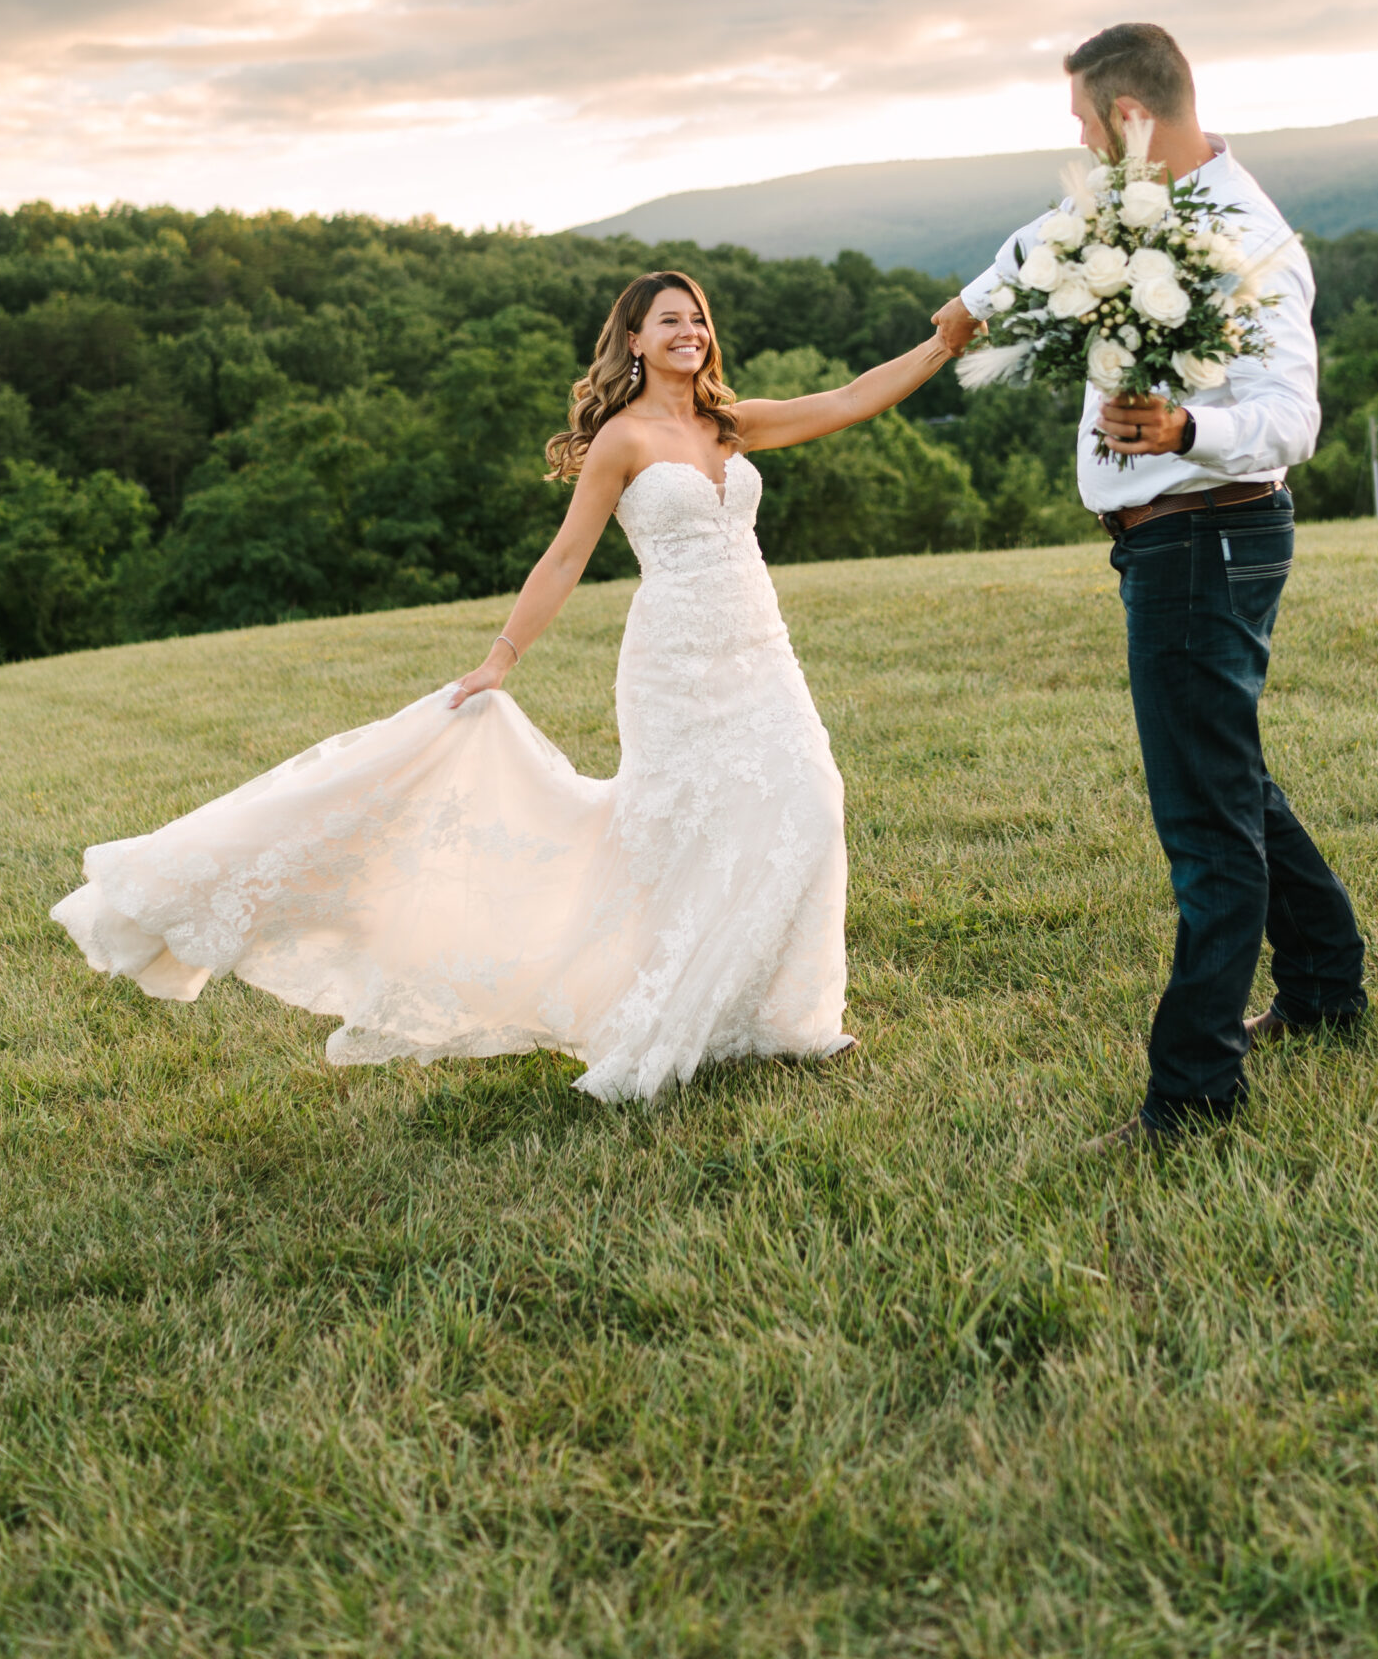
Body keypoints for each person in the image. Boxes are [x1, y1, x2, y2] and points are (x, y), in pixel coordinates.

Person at [53, 271, 967, 1103]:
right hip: (675, 662)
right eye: (668, 322)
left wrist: (942, 345)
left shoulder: (731, 424)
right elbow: (566, 556)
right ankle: (671, 1021)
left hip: (763, 650)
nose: (688, 332)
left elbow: (850, 398)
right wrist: (499, 657)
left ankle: (789, 1022)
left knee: (809, 800)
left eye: (697, 320)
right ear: (635, 343)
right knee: (678, 834)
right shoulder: (622, 438)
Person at [932, 22, 1367, 1144]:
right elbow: (1049, 232)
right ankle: (1327, 987)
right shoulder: (1135, 203)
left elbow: (1293, 419)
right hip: (1169, 541)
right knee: (1229, 774)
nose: (1078, 142)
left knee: (1204, 818)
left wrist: (1184, 422)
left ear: (1130, 117)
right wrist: (975, 302)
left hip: (1206, 538)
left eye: (1084, 121)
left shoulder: (1251, 237)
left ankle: (1195, 1091)